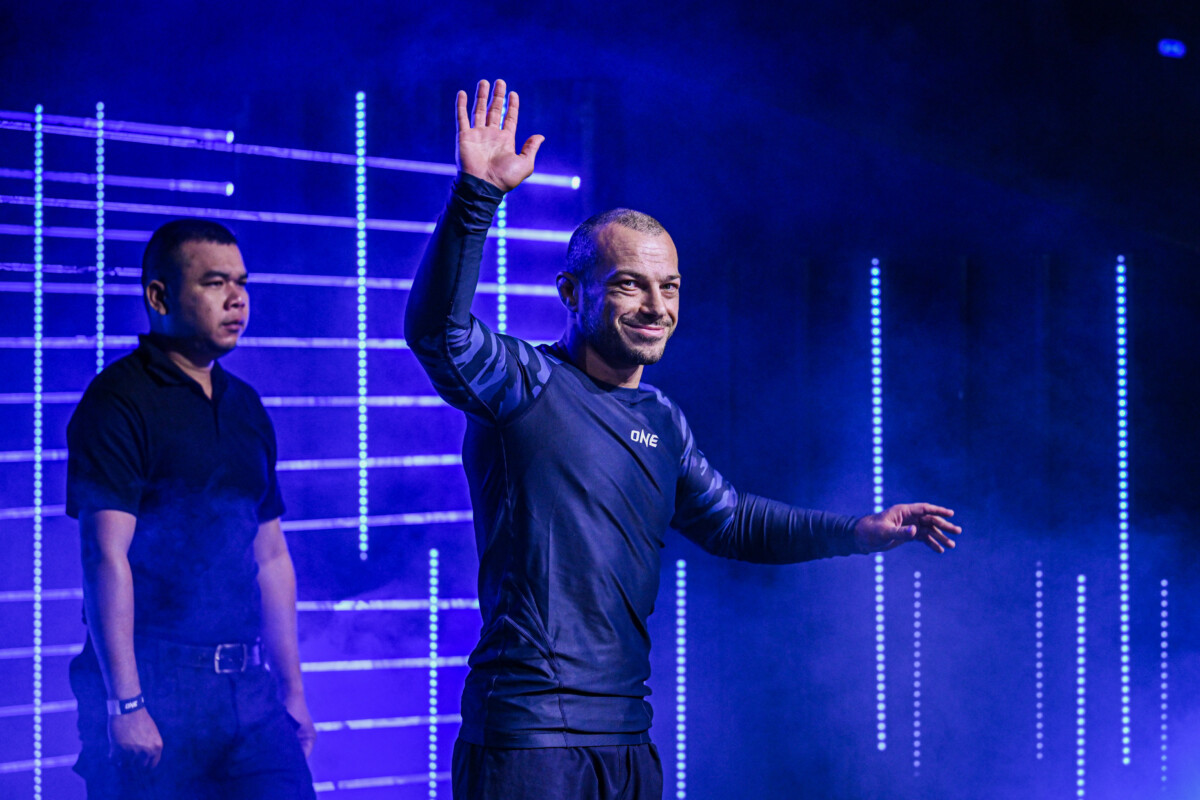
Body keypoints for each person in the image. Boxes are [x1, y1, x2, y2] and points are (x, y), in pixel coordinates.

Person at [405, 79, 962, 800]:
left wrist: (859, 531)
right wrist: (476, 196)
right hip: (529, 738)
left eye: (668, 287)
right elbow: (437, 333)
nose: (656, 306)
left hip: (628, 738)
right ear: (571, 292)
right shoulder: (523, 383)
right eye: (629, 284)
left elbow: (733, 522)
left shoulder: (662, 420)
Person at [66, 219, 317, 799]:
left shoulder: (245, 405)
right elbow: (105, 556)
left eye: (242, 282)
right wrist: (126, 703)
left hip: (249, 694)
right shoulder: (117, 402)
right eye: (214, 282)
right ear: (159, 297)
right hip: (158, 687)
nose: (237, 298)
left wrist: (293, 690)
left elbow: (271, 557)